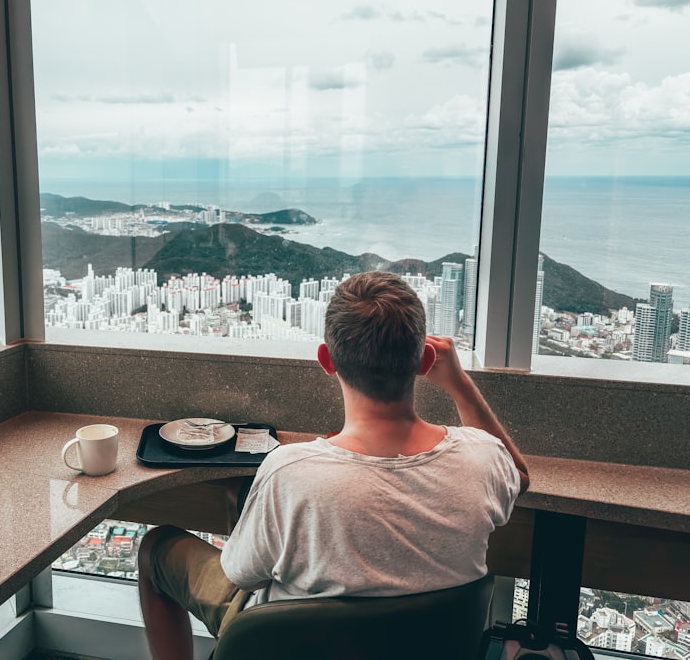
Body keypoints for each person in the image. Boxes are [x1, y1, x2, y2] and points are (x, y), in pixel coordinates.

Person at [138, 271, 529, 660]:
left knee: (156, 548)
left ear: (326, 359)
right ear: (426, 360)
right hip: (422, 646)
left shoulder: (289, 469)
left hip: (286, 642)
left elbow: (241, 575)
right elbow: (518, 475)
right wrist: (458, 382)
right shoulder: (482, 458)